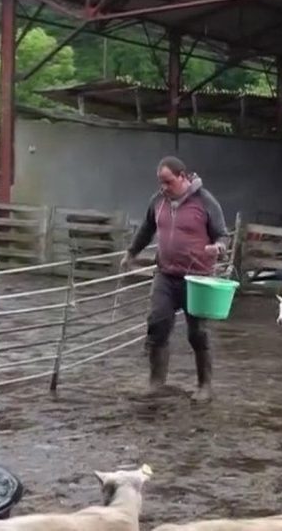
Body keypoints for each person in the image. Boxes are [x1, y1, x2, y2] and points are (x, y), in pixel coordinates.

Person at [121, 156, 229, 402]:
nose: (163, 187)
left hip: (197, 277)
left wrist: (219, 248)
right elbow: (147, 229)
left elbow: (223, 235)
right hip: (166, 274)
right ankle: (156, 382)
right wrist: (131, 253)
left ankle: (205, 386)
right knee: (157, 323)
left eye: (168, 182)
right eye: (160, 182)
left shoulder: (205, 201)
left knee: (197, 332)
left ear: (183, 177)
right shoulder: (157, 201)